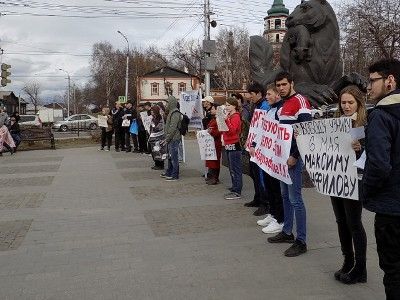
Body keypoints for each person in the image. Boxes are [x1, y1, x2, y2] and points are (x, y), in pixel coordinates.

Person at [362, 58, 400, 299]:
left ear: (390, 81)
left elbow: (378, 165)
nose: (368, 86)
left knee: (394, 270)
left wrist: (366, 191)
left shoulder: (381, 115)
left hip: (392, 210)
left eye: (373, 80)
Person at [267, 71, 312, 257]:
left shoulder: (301, 102)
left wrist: (295, 155)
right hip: (281, 160)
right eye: (278, 86)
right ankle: (287, 232)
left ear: (291, 83)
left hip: (293, 159)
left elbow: (306, 132)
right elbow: (278, 133)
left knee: (295, 199)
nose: (281, 88)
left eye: (284, 84)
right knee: (285, 195)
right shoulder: (282, 106)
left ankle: (301, 241)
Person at [330, 85, 368, 284]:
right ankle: (348, 261)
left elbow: (374, 154)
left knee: (354, 223)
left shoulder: (367, 125)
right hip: (335, 179)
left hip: (355, 180)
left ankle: (360, 269)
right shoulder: (335, 123)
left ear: (358, 103)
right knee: (340, 221)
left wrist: (360, 149)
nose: (346, 106)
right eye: (343, 102)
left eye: (350, 102)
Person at [256, 84, 285, 234]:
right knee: (269, 186)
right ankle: (273, 214)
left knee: (275, 188)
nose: (266, 97)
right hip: (267, 156)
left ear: (277, 95)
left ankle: (280, 219)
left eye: (268, 94)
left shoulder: (280, 111)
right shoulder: (271, 110)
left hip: (275, 157)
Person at [245, 82, 270, 216]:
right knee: (254, 173)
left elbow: (262, 128)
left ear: (259, 93)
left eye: (251, 94)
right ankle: (258, 198)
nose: (250, 96)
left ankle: (265, 203)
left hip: (260, 147)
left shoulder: (264, 106)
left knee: (260, 175)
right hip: (253, 144)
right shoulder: (257, 105)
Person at [223, 97, 243, 200]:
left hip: (234, 143)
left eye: (228, 105)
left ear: (234, 106)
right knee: (231, 168)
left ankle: (237, 190)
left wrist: (226, 121)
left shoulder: (235, 117)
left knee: (236, 168)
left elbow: (232, 130)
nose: (226, 107)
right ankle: (234, 186)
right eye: (226, 105)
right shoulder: (229, 116)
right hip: (228, 143)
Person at [161, 96, 181, 181]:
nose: (166, 105)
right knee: (170, 157)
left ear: (171, 103)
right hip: (170, 138)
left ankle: (175, 175)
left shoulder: (175, 113)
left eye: (167, 103)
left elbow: (173, 127)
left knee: (174, 157)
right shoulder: (171, 112)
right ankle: (169, 172)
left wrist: (167, 138)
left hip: (174, 138)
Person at [205, 104, 222, 185]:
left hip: (216, 142)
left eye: (213, 109)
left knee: (215, 160)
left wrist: (212, 132)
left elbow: (220, 131)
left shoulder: (219, 119)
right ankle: (211, 176)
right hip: (211, 142)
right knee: (210, 159)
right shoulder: (213, 119)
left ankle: (215, 177)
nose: (211, 110)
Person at [149, 105, 166, 170]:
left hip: (159, 137)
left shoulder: (160, 118)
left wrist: (154, 127)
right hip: (153, 137)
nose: (151, 112)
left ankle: (160, 165)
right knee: (154, 151)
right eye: (151, 111)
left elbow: (160, 127)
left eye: (152, 111)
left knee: (159, 151)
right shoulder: (153, 118)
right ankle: (156, 163)